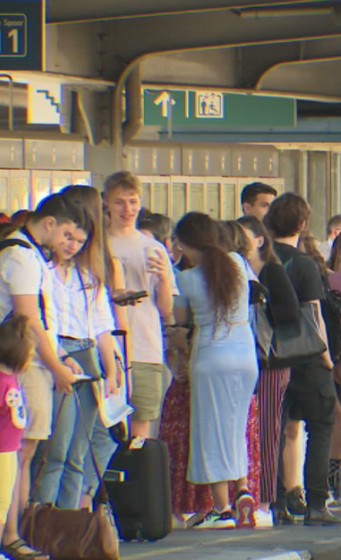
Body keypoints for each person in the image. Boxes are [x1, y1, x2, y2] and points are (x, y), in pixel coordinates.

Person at [0, 194, 89, 560]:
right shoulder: (21, 256)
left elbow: (42, 317)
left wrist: (62, 358)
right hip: (24, 364)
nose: (67, 243)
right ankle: (11, 533)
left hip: (31, 360)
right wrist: (56, 367)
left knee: (23, 451)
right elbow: (29, 318)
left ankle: (14, 530)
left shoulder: (29, 254)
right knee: (19, 452)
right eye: (66, 233)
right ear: (49, 224)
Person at [35, 187, 123, 511]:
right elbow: (45, 323)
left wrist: (111, 371)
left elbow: (103, 325)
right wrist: (62, 358)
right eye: (68, 237)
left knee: (79, 452)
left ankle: (68, 521)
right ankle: (42, 519)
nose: (71, 245)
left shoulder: (89, 276)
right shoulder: (44, 271)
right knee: (56, 449)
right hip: (61, 351)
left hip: (88, 352)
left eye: (79, 240)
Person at [172, 213, 260, 529]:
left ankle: (221, 508)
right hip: (245, 354)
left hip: (210, 356)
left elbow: (179, 319)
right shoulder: (237, 262)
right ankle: (243, 491)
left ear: (182, 243)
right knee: (236, 426)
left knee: (210, 431)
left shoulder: (186, 279)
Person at [263, 193, 341, 526]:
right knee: (321, 425)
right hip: (307, 356)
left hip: (271, 356)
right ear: (302, 224)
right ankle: (316, 502)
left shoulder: (261, 262)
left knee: (276, 429)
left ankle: (277, 501)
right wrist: (326, 356)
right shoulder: (305, 264)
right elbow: (314, 314)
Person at [237, 216, 301, 525]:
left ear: (260, 240)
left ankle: (267, 499)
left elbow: (290, 312)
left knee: (267, 428)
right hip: (246, 359)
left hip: (271, 361)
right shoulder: (238, 270)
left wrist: (260, 303)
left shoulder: (271, 271)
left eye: (243, 237)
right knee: (251, 429)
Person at [104, 171, 177, 439]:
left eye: (133, 202)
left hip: (146, 348)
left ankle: (138, 480)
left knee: (141, 427)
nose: (127, 209)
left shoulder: (154, 247)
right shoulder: (98, 245)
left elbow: (167, 310)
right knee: (105, 428)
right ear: (107, 203)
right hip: (108, 348)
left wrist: (163, 279)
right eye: (120, 202)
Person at [0, 316, 32, 560]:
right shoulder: (7, 384)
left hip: (9, 451)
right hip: (4, 453)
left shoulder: (9, 381)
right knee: (1, 504)